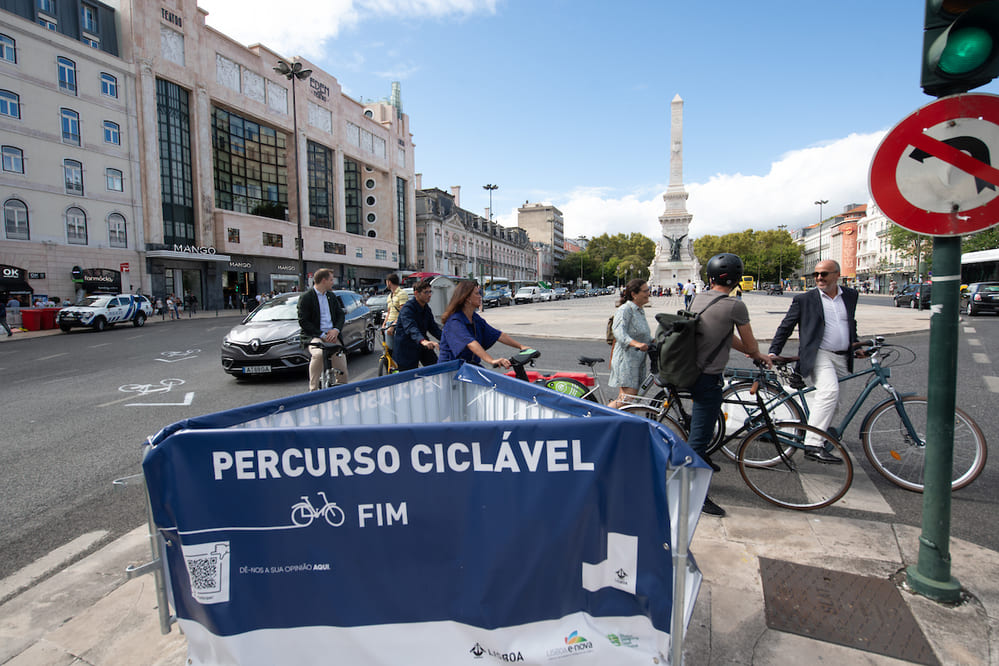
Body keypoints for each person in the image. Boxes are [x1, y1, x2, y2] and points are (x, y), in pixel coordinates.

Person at [689, 253, 772, 517]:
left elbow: (723, 332)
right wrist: (756, 353)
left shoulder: (697, 299)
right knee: (698, 442)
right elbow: (749, 344)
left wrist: (748, 350)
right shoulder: (735, 305)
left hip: (689, 370)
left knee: (705, 421)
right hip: (707, 377)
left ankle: (700, 449)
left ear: (710, 278)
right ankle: (695, 496)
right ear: (737, 279)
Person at [769, 259, 860, 464]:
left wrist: (857, 345)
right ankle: (813, 444)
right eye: (816, 274)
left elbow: (849, 323)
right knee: (829, 392)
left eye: (824, 274)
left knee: (835, 402)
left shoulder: (851, 295)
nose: (819, 278)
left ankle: (816, 432)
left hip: (843, 355)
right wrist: (774, 351)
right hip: (819, 354)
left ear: (837, 275)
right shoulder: (805, 299)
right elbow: (786, 326)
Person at [438, 280, 529, 368]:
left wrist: (521, 346)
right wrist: (491, 360)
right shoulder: (454, 321)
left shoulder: (475, 318)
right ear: (467, 298)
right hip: (450, 371)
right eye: (477, 294)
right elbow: (471, 343)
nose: (480, 296)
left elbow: (498, 335)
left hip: (468, 367)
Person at [298, 268, 349, 390]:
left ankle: (342, 390)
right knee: (318, 354)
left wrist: (336, 330)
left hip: (332, 335)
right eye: (331, 280)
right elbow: (303, 322)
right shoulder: (306, 297)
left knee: (342, 366)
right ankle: (313, 390)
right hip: (315, 336)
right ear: (323, 280)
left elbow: (340, 315)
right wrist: (321, 335)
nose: (333, 282)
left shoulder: (331, 296)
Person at [608, 279, 652, 409]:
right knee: (627, 399)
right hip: (626, 360)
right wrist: (636, 344)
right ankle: (597, 419)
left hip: (637, 361)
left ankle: (622, 426)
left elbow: (643, 334)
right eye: (645, 291)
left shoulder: (639, 310)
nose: (649, 293)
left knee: (630, 401)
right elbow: (619, 332)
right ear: (634, 294)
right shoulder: (625, 309)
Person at [394, 279, 442, 371]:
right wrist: (423, 341)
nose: (429, 295)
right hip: (407, 348)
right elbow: (411, 328)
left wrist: (446, 339)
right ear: (416, 293)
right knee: (409, 378)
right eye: (426, 292)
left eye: (430, 292)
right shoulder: (407, 309)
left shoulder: (426, 308)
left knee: (435, 369)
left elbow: (433, 327)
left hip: (422, 345)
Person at [382, 273, 409, 352]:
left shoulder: (402, 294)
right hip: (389, 323)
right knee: (388, 349)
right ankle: (391, 364)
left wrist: (393, 325)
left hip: (398, 324)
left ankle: (398, 363)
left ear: (389, 282)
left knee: (396, 350)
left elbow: (403, 312)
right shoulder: (390, 296)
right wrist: (384, 324)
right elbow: (389, 312)